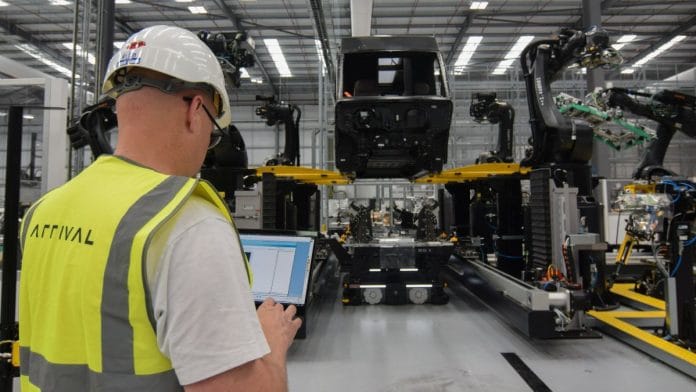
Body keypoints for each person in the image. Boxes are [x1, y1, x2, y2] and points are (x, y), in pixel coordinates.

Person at [18, 25, 301, 391]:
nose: (207, 148)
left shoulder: (44, 210)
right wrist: (272, 345)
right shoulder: (187, 225)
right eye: (213, 133)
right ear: (196, 110)